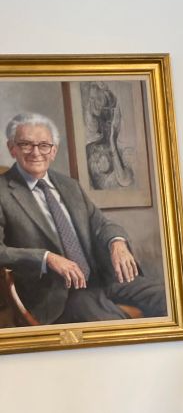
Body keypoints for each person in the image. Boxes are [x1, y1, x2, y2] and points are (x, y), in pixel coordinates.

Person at [0, 112, 166, 325]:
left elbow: (102, 224)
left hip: (103, 279)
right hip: (57, 293)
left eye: (44, 145)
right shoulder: (3, 191)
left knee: (165, 297)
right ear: (12, 148)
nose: (36, 152)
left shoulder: (70, 186)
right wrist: (46, 258)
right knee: (111, 324)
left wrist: (117, 242)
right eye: (25, 144)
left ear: (53, 151)